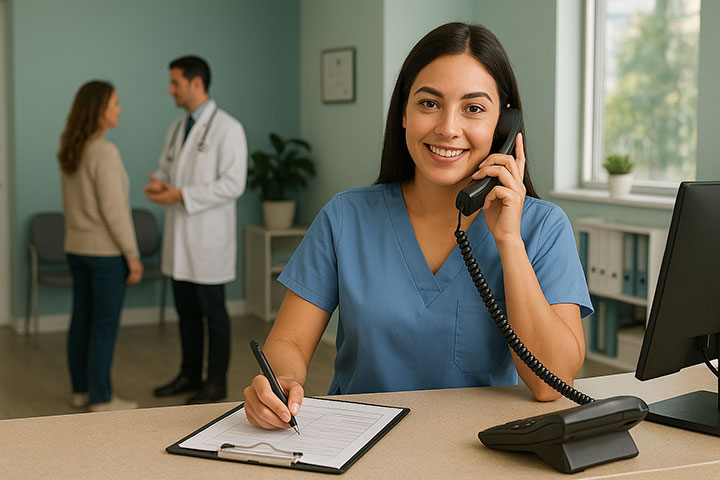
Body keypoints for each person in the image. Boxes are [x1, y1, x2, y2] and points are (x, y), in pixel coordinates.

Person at [243, 22, 593, 430]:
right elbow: (289, 342)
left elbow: (552, 384)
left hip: (485, 451)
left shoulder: (543, 227)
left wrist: (509, 241)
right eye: (429, 104)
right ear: (404, 114)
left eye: (474, 108)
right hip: (359, 446)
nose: (447, 128)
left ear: (503, 125)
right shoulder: (345, 217)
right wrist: (281, 381)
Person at [145, 55, 247, 404]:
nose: (170, 89)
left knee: (213, 315)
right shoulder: (177, 128)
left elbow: (233, 184)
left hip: (208, 240)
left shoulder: (228, 128)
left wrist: (182, 195)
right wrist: (160, 183)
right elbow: (168, 167)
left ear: (196, 83)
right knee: (186, 312)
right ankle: (189, 374)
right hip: (180, 238)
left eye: (175, 82)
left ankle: (216, 381)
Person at [58, 80, 143, 412]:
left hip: (76, 249)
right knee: (103, 325)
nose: (119, 109)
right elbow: (115, 211)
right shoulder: (104, 151)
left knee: (81, 319)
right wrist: (132, 255)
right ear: (99, 110)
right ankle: (101, 398)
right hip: (105, 254)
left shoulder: (72, 148)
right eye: (114, 104)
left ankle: (81, 390)